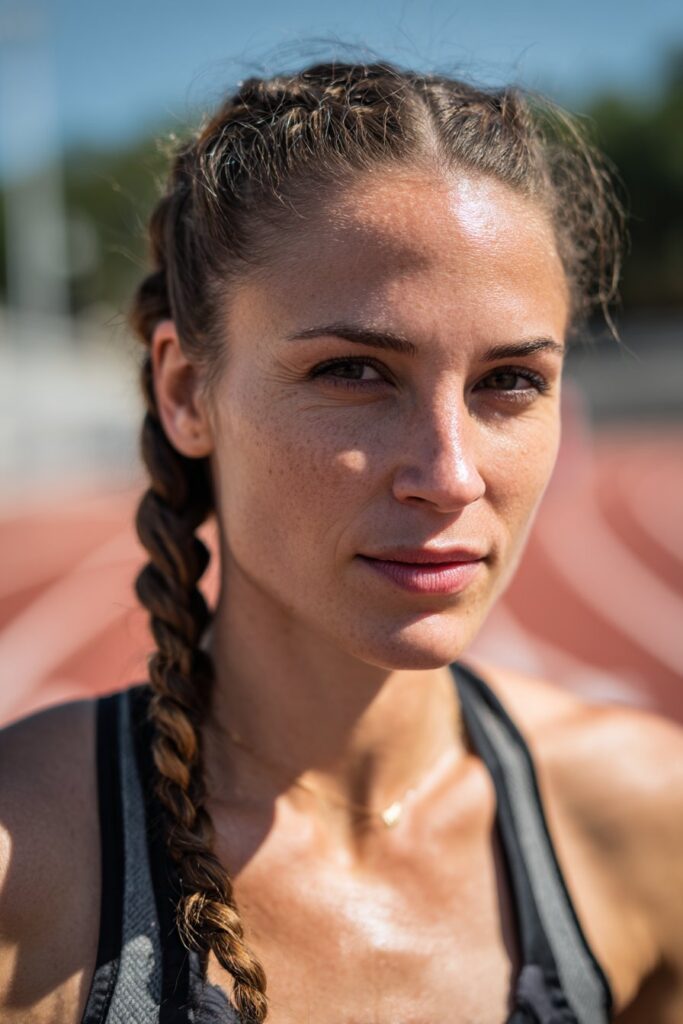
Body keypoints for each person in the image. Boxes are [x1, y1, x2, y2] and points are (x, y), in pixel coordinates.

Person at [0, 59, 681, 1024]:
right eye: (354, 370)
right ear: (187, 391)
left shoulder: (648, 820)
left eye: (509, 382)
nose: (449, 474)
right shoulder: (24, 871)